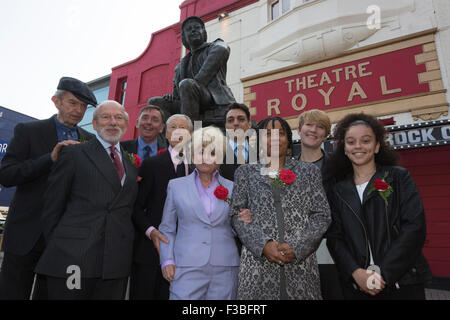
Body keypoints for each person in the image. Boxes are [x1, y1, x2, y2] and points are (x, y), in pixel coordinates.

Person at [0, 76, 97, 300]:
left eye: (83, 106)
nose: (78, 110)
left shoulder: (90, 142)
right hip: (26, 234)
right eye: (73, 103)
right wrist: (49, 158)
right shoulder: (28, 131)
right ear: (56, 101)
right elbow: (6, 175)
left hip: (64, 240)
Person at [35, 100, 139, 300]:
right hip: (72, 260)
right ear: (94, 124)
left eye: (118, 117)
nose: (112, 122)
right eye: (105, 117)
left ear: (126, 125)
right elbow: (52, 207)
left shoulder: (130, 165)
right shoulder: (74, 154)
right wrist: (63, 248)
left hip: (114, 264)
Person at [326, 113, 432, 300]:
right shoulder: (337, 190)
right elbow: (335, 238)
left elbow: (414, 228)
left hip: (402, 281)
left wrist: (383, 273)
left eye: (365, 140)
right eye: (351, 142)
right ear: (344, 148)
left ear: (376, 146)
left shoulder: (398, 177)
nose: (358, 146)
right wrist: (355, 272)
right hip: (356, 285)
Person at [230, 116, 331, 300]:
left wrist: (298, 246)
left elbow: (321, 215)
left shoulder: (308, 171)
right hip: (257, 266)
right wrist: (264, 245)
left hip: (301, 267)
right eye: (268, 134)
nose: (275, 138)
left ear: (288, 139)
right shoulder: (244, 173)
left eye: (281, 133)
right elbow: (236, 215)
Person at [159, 126, 239, 300]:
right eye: (200, 152)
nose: (206, 158)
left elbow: (235, 229)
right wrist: (167, 260)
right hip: (185, 266)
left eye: (212, 152)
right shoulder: (176, 186)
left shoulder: (233, 188)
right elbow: (167, 229)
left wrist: (244, 219)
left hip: (225, 267)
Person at [130, 114, 194, 300]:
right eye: (173, 127)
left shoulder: (200, 167)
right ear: (166, 133)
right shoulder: (151, 165)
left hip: (188, 252)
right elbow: (135, 206)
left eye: (183, 127)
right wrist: (151, 231)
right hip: (151, 251)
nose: (178, 131)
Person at [148, 16, 236, 121]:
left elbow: (223, 49)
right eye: (189, 29)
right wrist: (171, 97)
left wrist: (195, 83)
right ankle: (168, 135)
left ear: (204, 32)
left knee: (187, 84)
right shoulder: (181, 65)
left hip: (213, 98)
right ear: (184, 37)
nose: (193, 30)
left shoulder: (214, 46)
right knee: (154, 102)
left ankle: (188, 132)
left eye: (197, 27)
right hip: (187, 98)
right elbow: (177, 94)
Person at [296, 109, 343, 299]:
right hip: (295, 251)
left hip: (330, 249)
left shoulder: (338, 168)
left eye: (321, 127)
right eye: (309, 124)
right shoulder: (285, 170)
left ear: (326, 134)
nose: (314, 130)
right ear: (299, 130)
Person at [220, 103, 257, 181]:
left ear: (249, 124)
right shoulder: (217, 154)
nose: (236, 123)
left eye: (241, 119)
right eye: (230, 120)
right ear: (225, 126)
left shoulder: (261, 153)